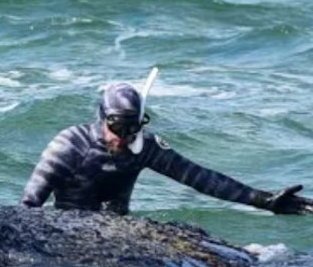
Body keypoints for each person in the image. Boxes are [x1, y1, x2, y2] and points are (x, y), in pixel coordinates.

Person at [21, 81, 313, 215]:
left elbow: (199, 177)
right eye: (116, 127)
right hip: (70, 228)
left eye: (132, 127)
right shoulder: (70, 144)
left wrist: (264, 200)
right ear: (101, 118)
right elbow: (30, 204)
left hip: (119, 231)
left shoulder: (143, 146)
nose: (123, 137)